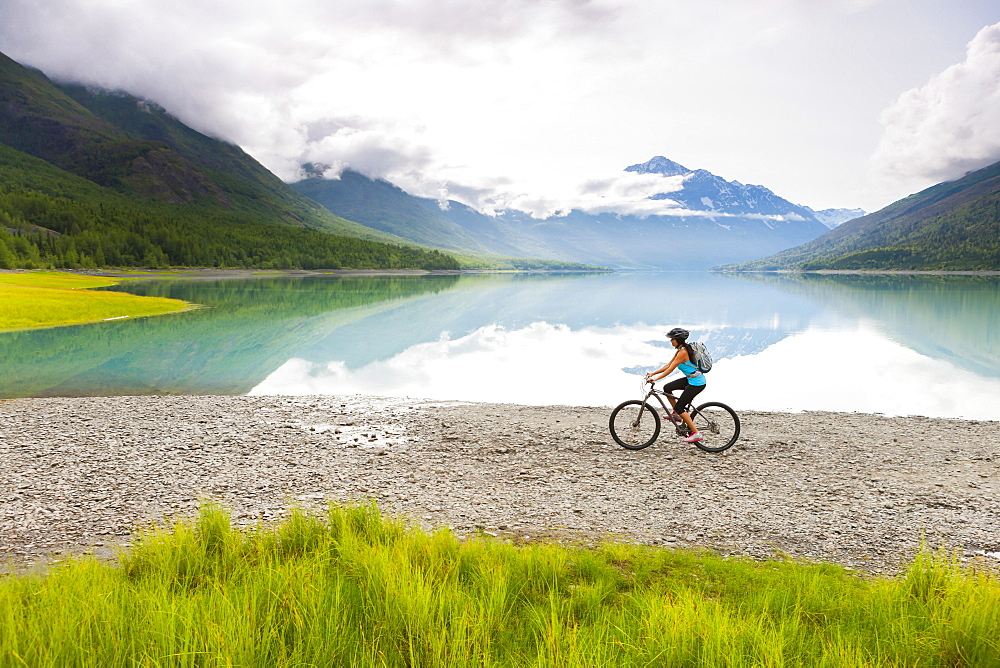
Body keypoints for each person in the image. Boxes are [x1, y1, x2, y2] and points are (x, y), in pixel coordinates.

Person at [645, 327, 706, 443]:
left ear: (678, 339)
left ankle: (696, 433)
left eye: (672, 339)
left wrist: (656, 379)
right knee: (667, 388)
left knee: (679, 406)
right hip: (691, 379)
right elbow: (668, 365)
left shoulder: (683, 352)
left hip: (697, 383)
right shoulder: (680, 350)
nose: (670, 341)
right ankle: (677, 414)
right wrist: (653, 373)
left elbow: (670, 370)